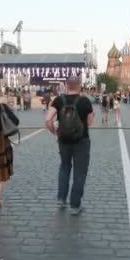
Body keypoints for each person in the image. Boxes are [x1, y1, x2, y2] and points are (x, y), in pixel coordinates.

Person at [45, 76, 94, 216]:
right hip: (81, 141)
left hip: (63, 140)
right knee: (80, 172)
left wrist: (54, 131)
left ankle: (61, 199)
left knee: (64, 167)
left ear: (66, 85)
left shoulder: (59, 100)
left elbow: (48, 119)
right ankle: (75, 205)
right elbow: (89, 122)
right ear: (79, 86)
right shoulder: (85, 101)